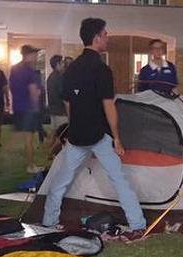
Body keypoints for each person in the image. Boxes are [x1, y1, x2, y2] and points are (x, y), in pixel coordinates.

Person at [42, 18, 146, 237]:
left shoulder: (70, 70)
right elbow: (109, 106)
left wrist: (75, 124)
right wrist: (117, 138)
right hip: (99, 136)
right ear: (97, 37)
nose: (107, 37)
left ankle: (48, 221)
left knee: (61, 180)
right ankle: (137, 224)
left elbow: (68, 102)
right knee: (119, 180)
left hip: (77, 135)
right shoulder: (101, 69)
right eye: (105, 34)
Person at [9, 45, 44, 173]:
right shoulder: (30, 71)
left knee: (21, 138)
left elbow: (11, 88)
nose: (36, 57)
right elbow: (34, 91)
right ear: (28, 55)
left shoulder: (14, 69)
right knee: (29, 140)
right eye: (34, 54)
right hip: (28, 108)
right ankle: (30, 166)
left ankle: (13, 164)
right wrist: (36, 108)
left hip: (18, 107)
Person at [46, 55, 67, 131]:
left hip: (53, 111)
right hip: (61, 112)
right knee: (63, 137)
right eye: (62, 63)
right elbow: (64, 96)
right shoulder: (60, 77)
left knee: (55, 136)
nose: (64, 65)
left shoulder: (50, 77)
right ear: (58, 64)